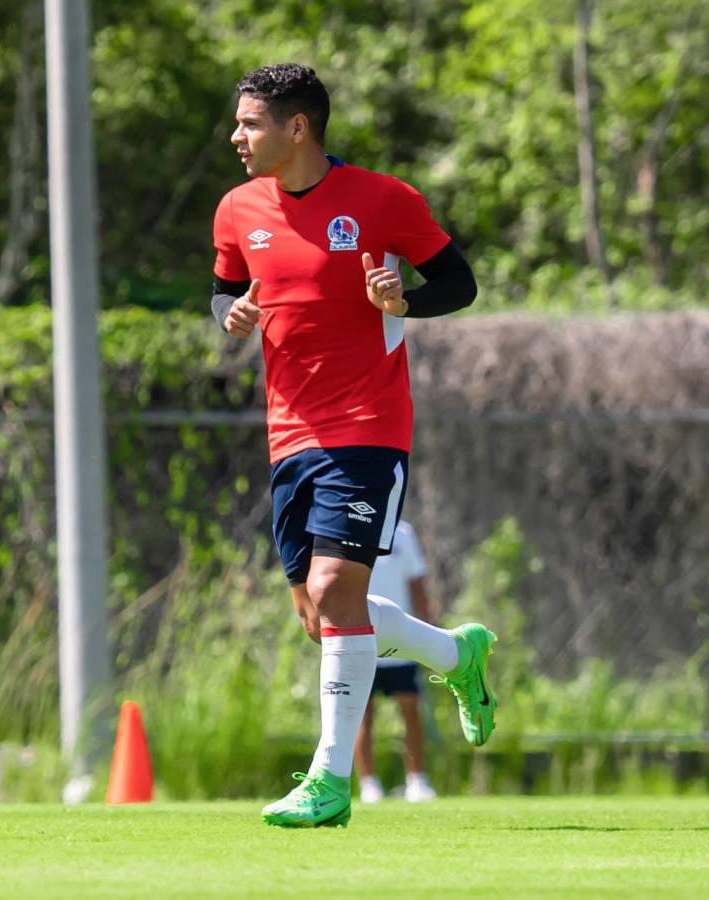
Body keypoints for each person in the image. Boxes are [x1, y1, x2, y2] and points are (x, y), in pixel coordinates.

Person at [210, 63, 496, 829]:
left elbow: (458, 284)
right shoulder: (237, 209)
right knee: (320, 613)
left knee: (336, 586)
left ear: (296, 127)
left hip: (368, 423)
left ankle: (329, 784)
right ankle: (455, 655)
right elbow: (224, 287)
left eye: (250, 123)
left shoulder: (382, 200)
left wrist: (404, 300)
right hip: (287, 432)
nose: (237, 137)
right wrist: (228, 314)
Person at [354, 519, 438, 804]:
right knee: (361, 714)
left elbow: (417, 584)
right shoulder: (350, 528)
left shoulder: (403, 534)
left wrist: (428, 634)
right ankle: (369, 784)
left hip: (402, 640)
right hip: (361, 639)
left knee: (410, 709)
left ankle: (417, 781)